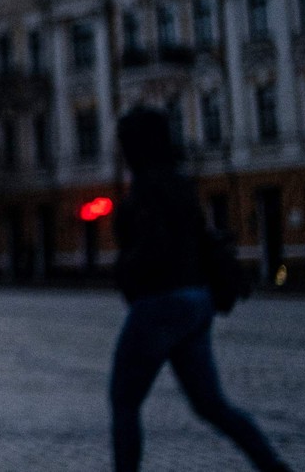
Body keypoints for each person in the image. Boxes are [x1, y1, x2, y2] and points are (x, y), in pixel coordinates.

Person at [110, 106, 291, 472]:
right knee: (212, 405)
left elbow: (152, 248)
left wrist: (125, 270)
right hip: (196, 302)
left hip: (159, 303)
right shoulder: (181, 184)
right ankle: (273, 466)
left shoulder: (147, 189)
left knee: (124, 402)